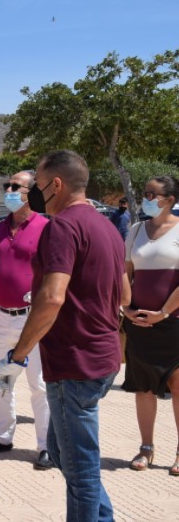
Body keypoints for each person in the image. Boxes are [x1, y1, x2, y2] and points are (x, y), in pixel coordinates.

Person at [0, 150, 130, 521]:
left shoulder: (62, 227)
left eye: (36, 185)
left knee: (81, 470)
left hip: (75, 362)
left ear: (56, 184)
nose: (33, 195)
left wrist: (18, 355)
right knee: (61, 450)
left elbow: (52, 298)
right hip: (101, 357)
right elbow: (125, 294)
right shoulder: (107, 227)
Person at [0, 171, 53, 470]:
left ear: (31, 192)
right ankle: (2, 436)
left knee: (39, 385)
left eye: (15, 186)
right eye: (6, 186)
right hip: (0, 315)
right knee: (0, 379)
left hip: (32, 318)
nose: (8, 190)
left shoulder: (46, 227)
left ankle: (47, 446)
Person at [120, 176, 179, 476]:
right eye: (145, 193)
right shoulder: (135, 230)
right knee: (143, 387)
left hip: (174, 322)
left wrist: (164, 313)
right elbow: (125, 272)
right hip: (139, 323)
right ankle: (146, 448)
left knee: (177, 385)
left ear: (170, 199)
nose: (147, 199)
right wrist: (127, 308)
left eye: (152, 194)